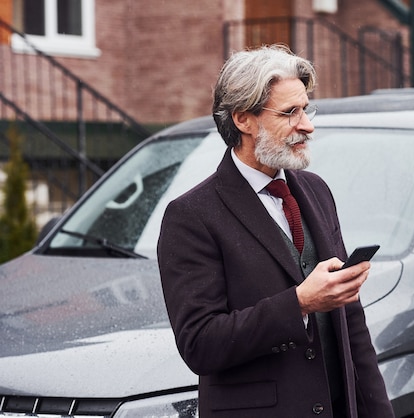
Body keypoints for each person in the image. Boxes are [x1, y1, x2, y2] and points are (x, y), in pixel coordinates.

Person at [157, 44, 394, 418]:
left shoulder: (316, 190)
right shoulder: (191, 216)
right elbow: (200, 344)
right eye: (289, 113)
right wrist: (298, 303)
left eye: (306, 109)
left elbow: (351, 327)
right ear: (242, 120)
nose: (307, 125)